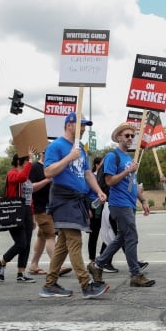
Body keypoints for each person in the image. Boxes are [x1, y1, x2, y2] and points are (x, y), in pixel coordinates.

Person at [39, 112, 109, 299]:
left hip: (77, 199)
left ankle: (50, 284)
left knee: (63, 245)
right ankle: (86, 285)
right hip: (63, 198)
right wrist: (69, 157)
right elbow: (48, 172)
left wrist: (98, 191)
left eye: (85, 125)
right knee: (75, 241)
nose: (84, 129)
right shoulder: (56, 146)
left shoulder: (81, 149)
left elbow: (87, 173)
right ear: (69, 125)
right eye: (81, 125)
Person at [87, 123, 155, 288]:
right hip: (119, 204)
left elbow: (133, 183)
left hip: (130, 204)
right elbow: (109, 181)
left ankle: (97, 264)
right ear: (118, 137)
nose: (130, 138)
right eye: (127, 135)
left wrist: (143, 200)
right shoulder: (113, 156)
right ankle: (135, 274)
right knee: (132, 237)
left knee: (122, 238)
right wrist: (127, 171)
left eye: (132, 136)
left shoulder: (129, 158)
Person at [0, 147, 37, 283]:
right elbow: (21, 177)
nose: (28, 164)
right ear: (19, 161)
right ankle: (2, 262)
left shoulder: (27, 174)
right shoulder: (11, 173)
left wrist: (33, 215)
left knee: (27, 243)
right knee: (21, 243)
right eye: (26, 161)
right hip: (15, 211)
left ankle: (21, 273)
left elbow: (29, 196)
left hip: (27, 211)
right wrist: (31, 160)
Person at [27, 151, 58, 275]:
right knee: (51, 235)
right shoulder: (35, 167)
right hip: (40, 207)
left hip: (51, 207)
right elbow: (30, 187)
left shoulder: (50, 168)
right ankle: (57, 265)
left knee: (42, 237)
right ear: (43, 154)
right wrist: (47, 180)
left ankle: (34, 265)